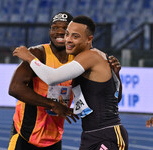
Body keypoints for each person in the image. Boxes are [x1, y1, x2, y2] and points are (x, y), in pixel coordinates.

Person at [13, 15, 128, 150]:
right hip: (90, 136)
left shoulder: (90, 56)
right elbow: (115, 98)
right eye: (68, 34)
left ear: (89, 39)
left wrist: (29, 57)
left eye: (75, 36)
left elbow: (52, 77)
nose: (68, 39)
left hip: (107, 134)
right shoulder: (84, 59)